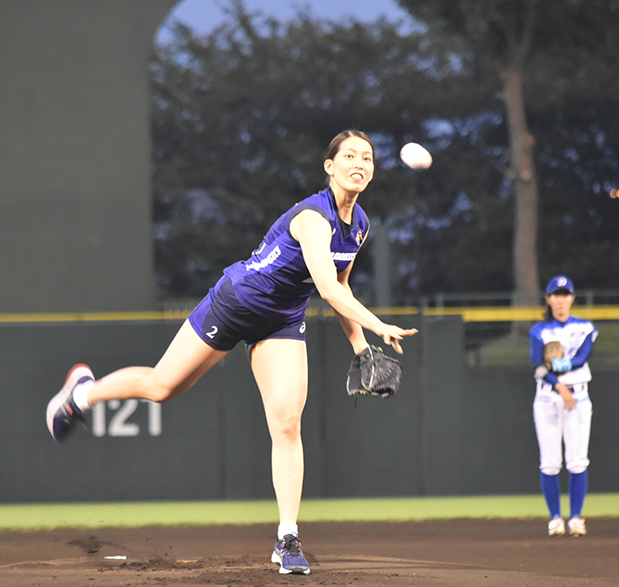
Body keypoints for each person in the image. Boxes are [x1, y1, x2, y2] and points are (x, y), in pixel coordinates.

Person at [46, 130, 417, 574]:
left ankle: (287, 539)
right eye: (350, 156)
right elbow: (326, 288)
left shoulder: (359, 225)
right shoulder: (313, 218)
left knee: (287, 423)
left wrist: (360, 346)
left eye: (368, 158)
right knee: (161, 387)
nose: (359, 163)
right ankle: (81, 394)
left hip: (281, 321)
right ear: (329, 166)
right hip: (236, 303)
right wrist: (377, 325)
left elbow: (342, 285)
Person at [528, 275, 598, 537]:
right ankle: (556, 519)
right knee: (549, 462)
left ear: (572, 298)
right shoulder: (539, 330)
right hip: (548, 397)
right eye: (556, 295)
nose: (560, 300)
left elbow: (582, 358)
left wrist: (556, 366)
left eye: (565, 294)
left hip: (578, 396)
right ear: (548, 299)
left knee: (578, 460)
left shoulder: (585, 327)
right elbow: (537, 366)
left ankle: (576, 518)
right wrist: (559, 385)